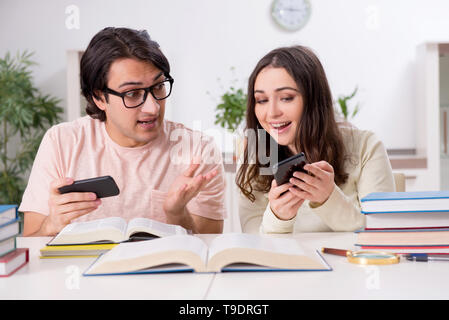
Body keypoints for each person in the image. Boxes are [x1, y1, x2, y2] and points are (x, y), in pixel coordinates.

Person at [20, 27, 226, 236]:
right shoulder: (61, 142)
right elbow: (30, 243)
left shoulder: (198, 149)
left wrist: (177, 214)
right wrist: (51, 225)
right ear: (99, 98)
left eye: (158, 87)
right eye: (132, 93)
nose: (153, 108)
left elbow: (208, 251)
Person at [237, 45, 395, 234]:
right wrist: (278, 217)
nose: (271, 113)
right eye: (261, 100)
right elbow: (254, 243)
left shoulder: (366, 146)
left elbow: (384, 234)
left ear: (314, 100)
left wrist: (328, 198)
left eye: (286, 98)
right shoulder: (256, 154)